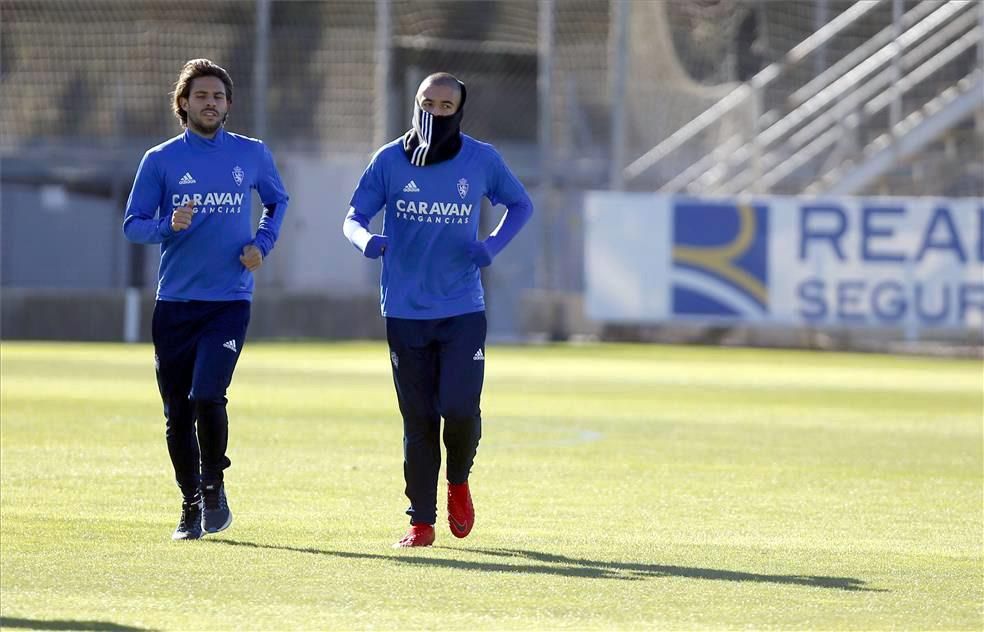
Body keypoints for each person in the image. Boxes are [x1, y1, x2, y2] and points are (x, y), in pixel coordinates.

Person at [343, 72, 533, 548]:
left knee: (459, 408)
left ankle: (459, 482)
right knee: (419, 417)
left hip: (462, 307)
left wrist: (493, 244)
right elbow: (353, 217)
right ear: (415, 103)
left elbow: (520, 204)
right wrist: (367, 241)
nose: (436, 112)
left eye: (446, 105)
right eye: (428, 103)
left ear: (459, 110)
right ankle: (421, 521)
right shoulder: (388, 160)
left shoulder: (481, 159)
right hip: (405, 310)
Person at [123, 59, 289, 540]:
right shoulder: (160, 160)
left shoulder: (252, 154)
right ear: (183, 103)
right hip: (175, 303)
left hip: (229, 300)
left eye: (218, 96)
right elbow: (132, 224)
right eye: (201, 96)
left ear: (229, 104)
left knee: (207, 395)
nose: (210, 103)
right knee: (177, 412)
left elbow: (278, 201)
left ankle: (213, 483)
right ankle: (190, 504)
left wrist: (263, 242)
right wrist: (165, 226)